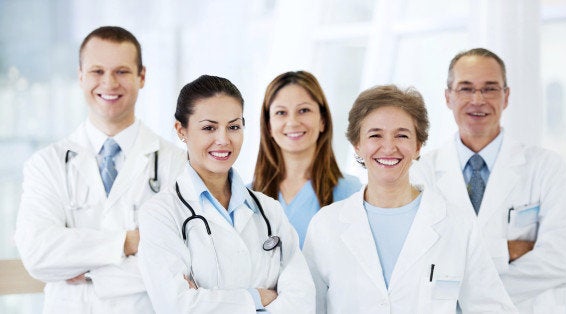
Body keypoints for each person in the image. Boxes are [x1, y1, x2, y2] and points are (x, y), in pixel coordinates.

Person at [14, 26, 186, 313]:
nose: (109, 83)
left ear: (142, 76)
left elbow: (183, 262)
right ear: (80, 76)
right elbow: (38, 252)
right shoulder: (46, 164)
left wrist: (90, 272)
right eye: (97, 71)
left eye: (121, 71)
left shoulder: (176, 164)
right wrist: (129, 242)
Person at [303, 85, 517, 313]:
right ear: (358, 144)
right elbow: (306, 308)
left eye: (401, 135)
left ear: (418, 146)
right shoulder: (326, 225)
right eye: (375, 135)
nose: (388, 147)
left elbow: (493, 308)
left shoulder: (457, 224)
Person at [413, 48, 566, 313]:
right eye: (465, 89)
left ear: (506, 96)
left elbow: (561, 262)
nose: (478, 100)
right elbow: (419, 261)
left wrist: (461, 283)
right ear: (448, 97)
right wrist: (507, 250)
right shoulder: (421, 173)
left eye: (489, 88)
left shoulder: (546, 167)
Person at [137, 75, 315, 313]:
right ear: (181, 130)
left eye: (233, 127)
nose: (223, 140)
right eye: (209, 128)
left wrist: (208, 300)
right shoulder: (161, 214)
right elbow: (177, 306)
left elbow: (302, 301)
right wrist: (258, 298)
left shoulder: (268, 210)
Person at [252, 70, 361, 248]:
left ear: (322, 121)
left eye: (304, 110)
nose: (293, 122)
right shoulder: (247, 197)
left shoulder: (351, 193)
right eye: (281, 113)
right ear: (269, 126)